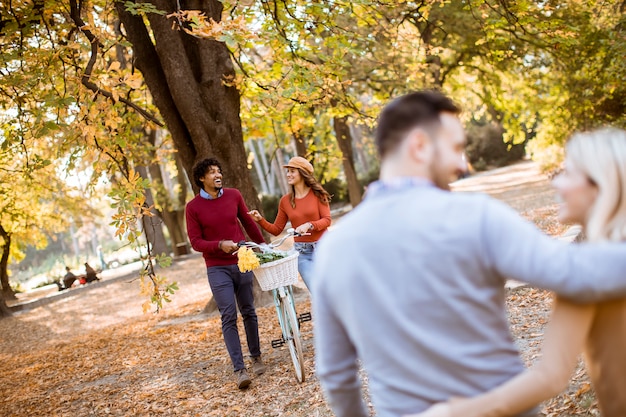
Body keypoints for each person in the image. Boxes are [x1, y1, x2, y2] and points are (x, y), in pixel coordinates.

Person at [310, 91, 626, 417]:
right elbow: (571, 271)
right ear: (419, 146)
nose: (463, 164)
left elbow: (335, 374)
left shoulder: (335, 247)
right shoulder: (476, 217)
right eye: (457, 148)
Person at [410, 127, 626, 417]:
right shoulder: (588, 267)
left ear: (601, 184)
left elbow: (550, 376)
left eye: (568, 173)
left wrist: (452, 412)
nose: (556, 183)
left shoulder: (585, 273)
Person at [185, 157, 267, 390]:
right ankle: (240, 370)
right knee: (228, 314)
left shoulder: (234, 195)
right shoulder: (193, 208)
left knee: (249, 310)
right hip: (217, 267)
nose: (217, 174)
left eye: (219, 170)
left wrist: (262, 245)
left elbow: (248, 224)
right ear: (202, 178)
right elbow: (195, 242)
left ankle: (257, 357)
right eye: (212, 172)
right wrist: (219, 244)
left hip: (242, 261)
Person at [248, 156, 332, 291]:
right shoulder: (285, 201)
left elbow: (327, 220)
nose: (288, 174)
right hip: (302, 253)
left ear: (303, 173)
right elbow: (276, 229)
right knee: (316, 291)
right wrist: (260, 220)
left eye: (292, 171)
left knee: (332, 289)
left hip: (324, 247)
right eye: (288, 171)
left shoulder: (318, 194)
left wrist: (310, 225)